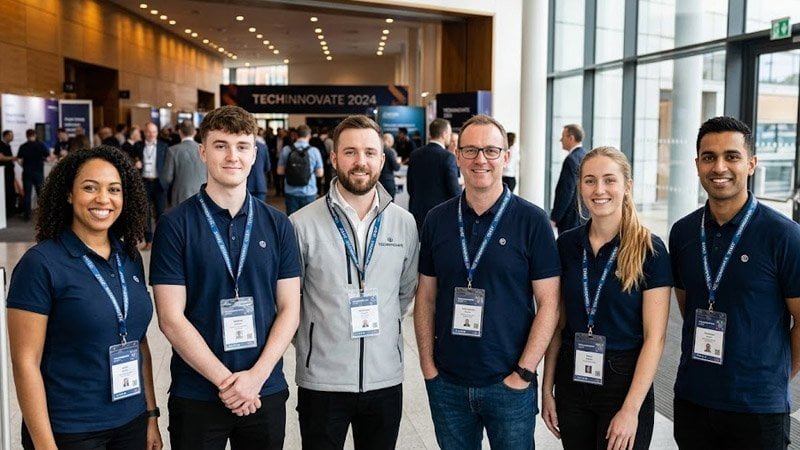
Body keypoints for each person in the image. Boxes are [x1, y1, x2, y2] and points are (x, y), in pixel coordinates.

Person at [150, 105, 301, 450]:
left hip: (265, 389)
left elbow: (290, 308)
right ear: (203, 151)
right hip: (197, 392)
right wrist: (228, 383)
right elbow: (170, 318)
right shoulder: (175, 225)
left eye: (242, 146)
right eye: (220, 145)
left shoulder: (278, 224)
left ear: (255, 154)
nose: (232, 156)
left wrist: (256, 378)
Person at [414, 114, 561, 449]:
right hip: (447, 383)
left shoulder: (532, 221)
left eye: (491, 151)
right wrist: (428, 367)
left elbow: (550, 303)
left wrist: (523, 373)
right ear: (457, 156)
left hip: (508, 384)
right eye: (471, 150)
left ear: (506, 157)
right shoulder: (437, 219)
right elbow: (425, 297)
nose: (481, 159)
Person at [7, 146, 162, 450]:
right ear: (68, 194)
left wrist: (151, 415)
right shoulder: (40, 264)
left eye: (114, 190)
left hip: (130, 422)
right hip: (71, 430)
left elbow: (138, 341)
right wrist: (45, 446)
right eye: (90, 187)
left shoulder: (129, 256)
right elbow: (25, 362)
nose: (103, 199)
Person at [669, 116, 800, 450]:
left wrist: (775, 377)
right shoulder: (683, 233)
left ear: (751, 164)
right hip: (694, 398)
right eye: (709, 157)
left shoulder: (783, 236)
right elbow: (689, 306)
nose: (719, 167)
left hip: (757, 408)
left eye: (732, 156)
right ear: (697, 164)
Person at [290, 115, 419, 450]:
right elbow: (290, 300)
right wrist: (316, 339)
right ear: (333, 158)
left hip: (385, 378)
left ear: (381, 158)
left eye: (369, 152)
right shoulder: (301, 224)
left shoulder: (404, 224)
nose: (360, 162)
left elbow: (405, 292)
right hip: (322, 380)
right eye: (350, 152)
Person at [540, 146, 672, 450]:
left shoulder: (650, 250)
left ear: (627, 187)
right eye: (589, 180)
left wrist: (630, 410)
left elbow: (656, 338)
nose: (599, 190)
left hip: (624, 382)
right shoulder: (567, 244)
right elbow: (557, 326)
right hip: (572, 378)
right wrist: (548, 389)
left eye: (609, 180)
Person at [406, 118, 460, 231]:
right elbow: (454, 191)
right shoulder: (447, 157)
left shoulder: (415, 154)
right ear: (444, 134)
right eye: (449, 134)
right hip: (441, 215)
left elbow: (410, 187)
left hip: (417, 213)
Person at [133, 123, 168, 249]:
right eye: (149, 132)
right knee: (145, 213)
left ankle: (160, 240)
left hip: (159, 183)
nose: (151, 134)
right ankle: (149, 241)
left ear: (157, 132)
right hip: (144, 183)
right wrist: (135, 163)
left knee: (161, 213)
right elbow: (130, 160)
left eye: (154, 132)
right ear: (144, 133)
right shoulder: (138, 146)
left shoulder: (164, 146)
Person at [276, 124, 324, 215]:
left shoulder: (286, 149)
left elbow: (280, 171)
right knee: (309, 221)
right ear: (309, 136)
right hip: (309, 191)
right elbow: (320, 173)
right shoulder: (314, 151)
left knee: (292, 221)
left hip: (291, 191)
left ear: (296, 135)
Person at [551, 124, 588, 235]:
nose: (560, 140)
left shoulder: (571, 160)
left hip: (570, 217)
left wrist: (555, 217)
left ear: (571, 138)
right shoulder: (585, 156)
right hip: (583, 215)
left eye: (563, 136)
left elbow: (566, 191)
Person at [161, 120, 206, 208]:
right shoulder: (204, 149)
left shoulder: (173, 150)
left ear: (179, 132)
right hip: (202, 194)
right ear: (195, 132)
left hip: (180, 195)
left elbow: (167, 178)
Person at [17, 129, 51, 221]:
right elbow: (48, 156)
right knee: (41, 194)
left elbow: (19, 160)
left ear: (26, 135)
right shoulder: (40, 145)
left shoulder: (23, 146)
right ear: (35, 135)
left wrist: (24, 166)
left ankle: (27, 215)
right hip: (38, 172)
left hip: (27, 173)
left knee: (27, 194)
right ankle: (43, 215)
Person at [0, 130, 19, 217]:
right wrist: (13, 158)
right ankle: (5, 212)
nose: (12, 137)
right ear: (6, 136)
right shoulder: (1, 144)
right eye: (11, 135)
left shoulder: (8, 145)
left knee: (10, 191)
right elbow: (1, 158)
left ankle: (10, 210)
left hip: (10, 172)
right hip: (4, 173)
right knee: (5, 191)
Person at [379, 132, 401, 200]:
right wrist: (398, 162)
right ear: (389, 141)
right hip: (388, 182)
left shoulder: (378, 150)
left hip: (379, 181)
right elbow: (396, 167)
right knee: (390, 205)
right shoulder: (390, 151)